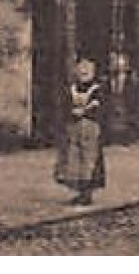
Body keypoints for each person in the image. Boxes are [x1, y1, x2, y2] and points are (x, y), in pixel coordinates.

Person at [55, 57, 107, 205]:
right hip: (73, 128)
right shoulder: (72, 89)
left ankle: (87, 192)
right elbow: (64, 106)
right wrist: (70, 113)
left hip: (90, 128)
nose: (84, 71)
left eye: (88, 68)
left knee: (89, 159)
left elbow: (100, 108)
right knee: (73, 158)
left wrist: (86, 112)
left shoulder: (97, 90)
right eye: (81, 68)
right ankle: (80, 191)